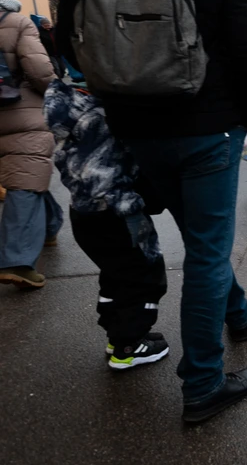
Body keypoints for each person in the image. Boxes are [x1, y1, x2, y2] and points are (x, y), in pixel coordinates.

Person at [57, 0, 247, 423]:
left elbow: (70, 44)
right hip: (209, 133)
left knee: (203, 239)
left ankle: (240, 313)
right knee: (207, 250)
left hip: (135, 132)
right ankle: (202, 384)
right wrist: (244, 121)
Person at [44, 79, 168, 370]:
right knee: (144, 275)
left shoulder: (72, 116)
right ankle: (128, 348)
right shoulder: (108, 116)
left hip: (84, 212)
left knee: (116, 274)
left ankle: (117, 334)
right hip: (119, 210)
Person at [0, 0, 63, 290]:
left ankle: (50, 226)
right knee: (25, 176)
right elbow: (39, 71)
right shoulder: (15, 21)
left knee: (24, 174)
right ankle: (17, 261)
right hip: (20, 110)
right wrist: (57, 94)